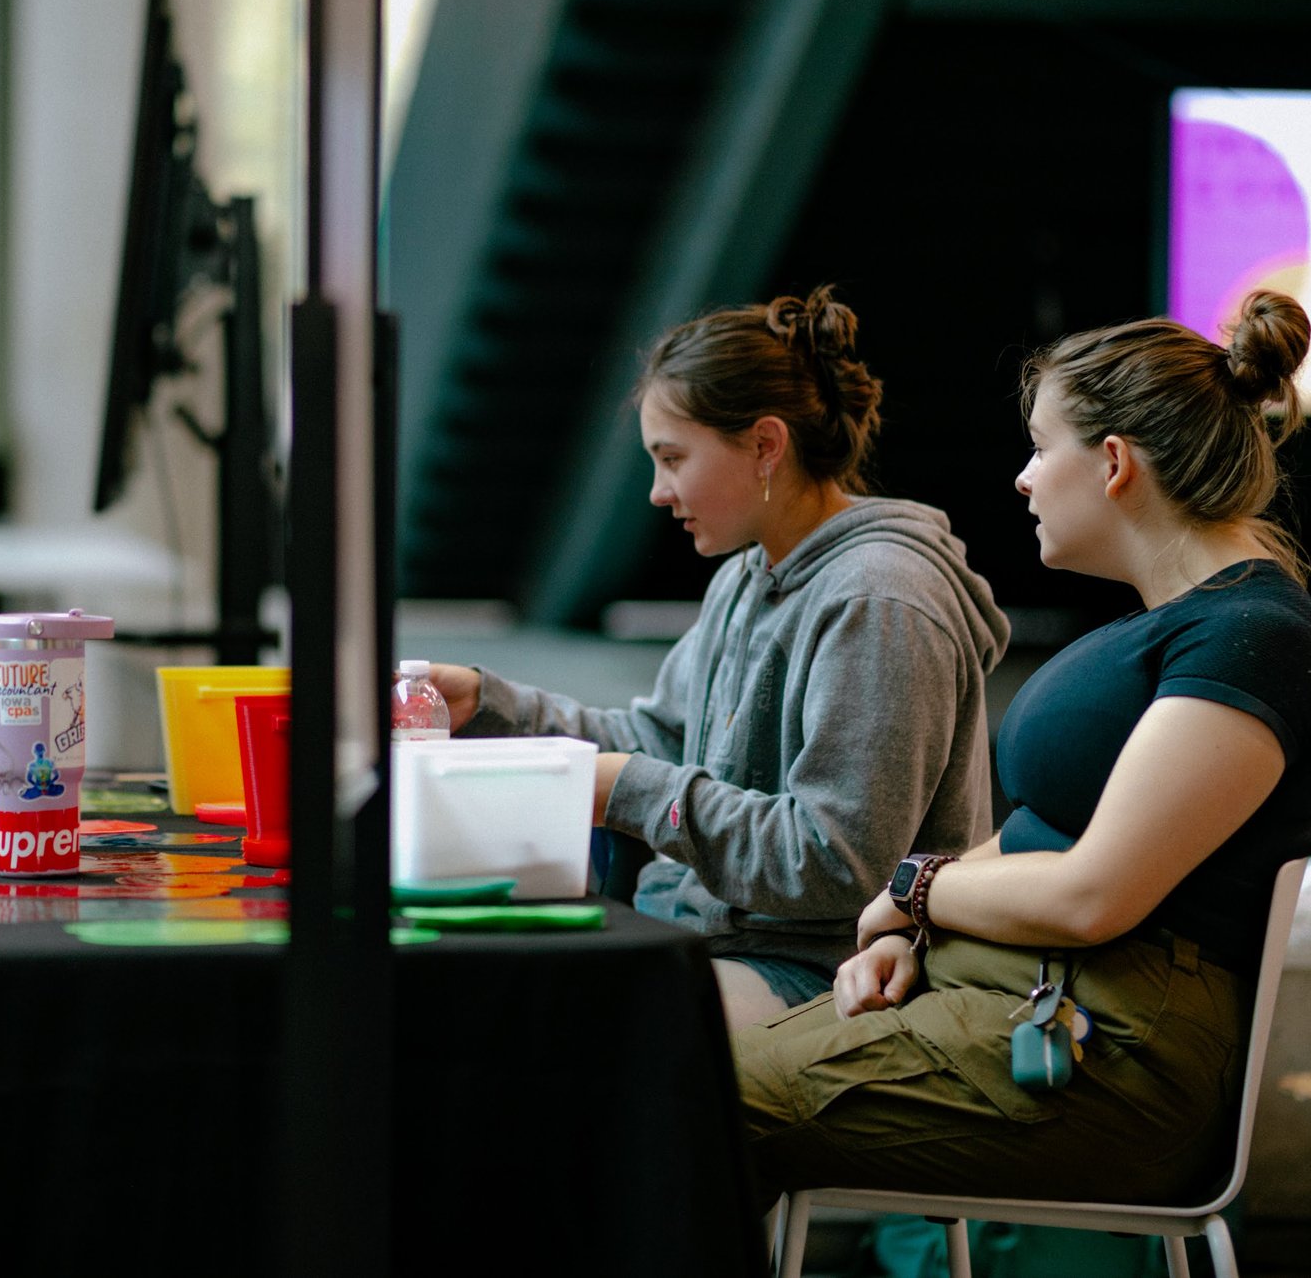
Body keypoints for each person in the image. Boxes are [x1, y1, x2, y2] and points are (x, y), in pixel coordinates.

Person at [734, 292, 1311, 1207]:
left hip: (1109, 1051)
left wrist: (912, 889)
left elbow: (1093, 891)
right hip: (1036, 1004)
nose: (1022, 478)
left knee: (665, 1097)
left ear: (1112, 462)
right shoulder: (1191, 626)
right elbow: (1043, 839)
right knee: (656, 1086)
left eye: (1039, 445)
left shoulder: (1256, 637)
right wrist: (926, 924)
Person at [429, 286, 1010, 1029]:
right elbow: (663, 743)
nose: (657, 491)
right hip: (709, 939)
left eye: (672, 458)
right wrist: (488, 703)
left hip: (823, 972)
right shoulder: (745, 573)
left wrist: (632, 790)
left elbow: (838, 866)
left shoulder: (880, 598)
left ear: (766, 444)